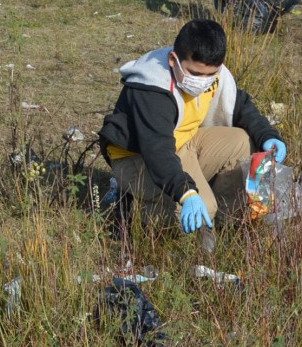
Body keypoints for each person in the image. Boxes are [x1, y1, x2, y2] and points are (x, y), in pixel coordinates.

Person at [99, 19, 285, 245]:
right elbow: (157, 151)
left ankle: (224, 219)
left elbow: (240, 105)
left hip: (183, 143)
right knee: (197, 211)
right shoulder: (152, 90)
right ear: (173, 60)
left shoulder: (215, 75)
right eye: (195, 73)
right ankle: (133, 206)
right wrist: (186, 193)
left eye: (210, 75)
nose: (203, 82)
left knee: (244, 142)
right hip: (137, 157)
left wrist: (268, 136)